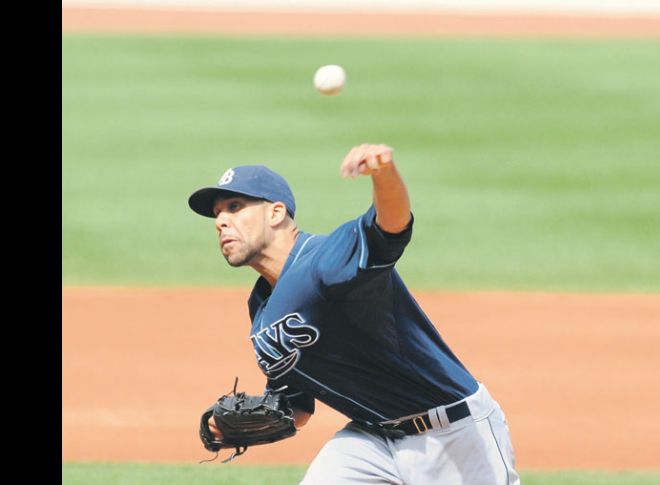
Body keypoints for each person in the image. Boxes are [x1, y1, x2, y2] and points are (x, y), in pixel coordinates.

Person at [188, 143, 520, 484]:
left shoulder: (324, 260)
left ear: (275, 213)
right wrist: (240, 422)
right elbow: (296, 405)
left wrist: (383, 174)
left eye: (235, 207)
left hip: (451, 432)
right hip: (372, 438)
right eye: (218, 214)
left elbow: (391, 226)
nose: (221, 222)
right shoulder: (260, 305)